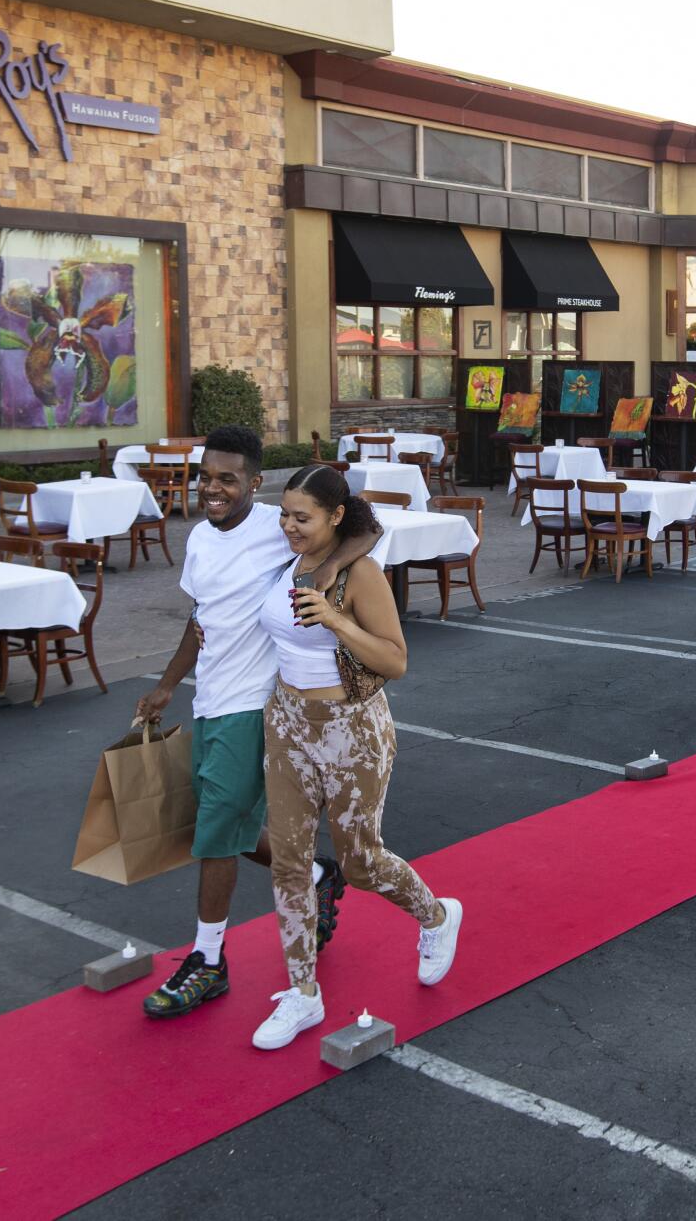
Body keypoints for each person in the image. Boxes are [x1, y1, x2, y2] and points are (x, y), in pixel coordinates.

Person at [133, 426, 375, 1021]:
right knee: (230, 820)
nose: (213, 489)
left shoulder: (277, 526)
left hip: (254, 702)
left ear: (253, 483)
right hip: (209, 698)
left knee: (214, 829)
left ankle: (208, 960)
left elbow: (367, 527)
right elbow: (201, 619)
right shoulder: (198, 539)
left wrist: (324, 572)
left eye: (227, 480)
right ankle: (319, 872)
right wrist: (168, 684)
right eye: (206, 476)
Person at [248, 463, 462, 1051]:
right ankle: (302, 993)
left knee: (361, 861)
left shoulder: (361, 575)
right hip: (287, 721)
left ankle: (437, 917)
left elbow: (395, 661)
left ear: (335, 516)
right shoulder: (287, 558)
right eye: (285, 515)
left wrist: (337, 618)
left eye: (302, 518)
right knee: (289, 861)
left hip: (352, 731)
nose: (289, 527)